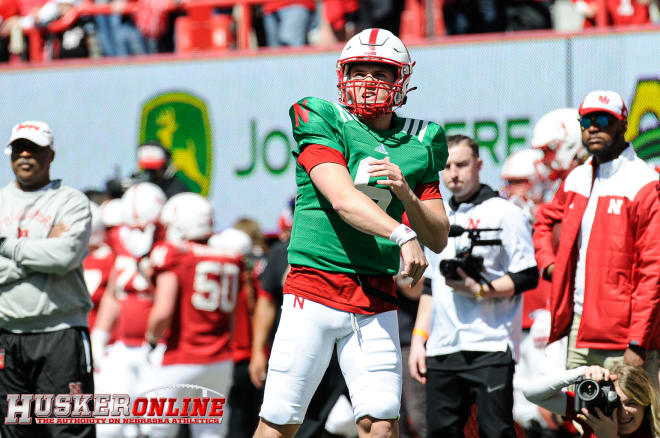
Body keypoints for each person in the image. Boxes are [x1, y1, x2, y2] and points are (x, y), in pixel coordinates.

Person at [253, 27, 450, 438]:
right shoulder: (321, 116)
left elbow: (438, 236)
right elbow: (342, 198)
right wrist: (401, 234)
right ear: (342, 73)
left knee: (380, 422)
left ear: (402, 79)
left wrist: (407, 195)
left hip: (375, 295)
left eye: (380, 72)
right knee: (279, 423)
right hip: (314, 287)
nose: (368, 81)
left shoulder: (423, 138)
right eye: (359, 69)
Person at [409, 135, 539, 438]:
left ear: (479, 165)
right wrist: (419, 340)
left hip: (491, 344)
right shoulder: (437, 215)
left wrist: (480, 289)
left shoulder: (505, 212)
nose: (453, 173)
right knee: (441, 432)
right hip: (443, 347)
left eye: (462, 164)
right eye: (447, 166)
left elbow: (527, 275)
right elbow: (431, 286)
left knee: (495, 431)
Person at [533, 90, 660, 385]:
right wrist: (551, 266)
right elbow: (543, 222)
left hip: (625, 334)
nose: (593, 127)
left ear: (623, 124)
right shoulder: (576, 178)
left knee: (633, 426)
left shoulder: (645, 182)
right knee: (584, 423)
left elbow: (653, 272)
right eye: (586, 120)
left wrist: (638, 344)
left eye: (604, 119)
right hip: (577, 329)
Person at [0, 121, 94, 438]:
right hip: (8, 335)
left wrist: (7, 248)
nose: (26, 155)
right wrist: (40, 253)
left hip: (61, 333)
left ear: (50, 155)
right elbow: (53, 258)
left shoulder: (70, 201)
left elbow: (65, 256)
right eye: (19, 148)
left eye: (35, 148)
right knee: (15, 433)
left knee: (69, 431)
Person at [146, 193, 241, 438]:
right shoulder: (231, 256)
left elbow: (163, 311)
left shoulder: (177, 254)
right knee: (210, 432)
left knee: (156, 429)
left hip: (181, 357)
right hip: (220, 358)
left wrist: (152, 338)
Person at [523, 364, 660, 438]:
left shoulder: (653, 430)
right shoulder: (593, 412)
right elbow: (531, 393)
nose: (624, 413)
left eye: (631, 403)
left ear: (645, 403)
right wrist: (581, 373)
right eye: (615, 403)